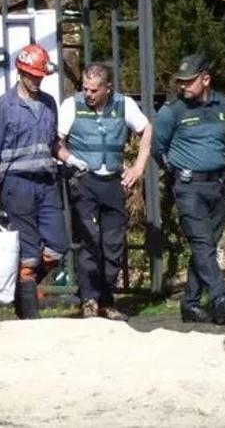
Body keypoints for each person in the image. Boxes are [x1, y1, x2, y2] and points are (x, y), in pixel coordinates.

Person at [151, 53, 225, 325]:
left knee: (206, 245)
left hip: (217, 184)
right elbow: (159, 148)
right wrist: (176, 173)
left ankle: (190, 304)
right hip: (188, 186)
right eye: (180, 82)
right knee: (202, 243)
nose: (183, 87)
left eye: (190, 81)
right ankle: (219, 298)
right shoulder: (172, 112)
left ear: (206, 79)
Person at [57, 63, 152, 320]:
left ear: (107, 88)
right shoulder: (71, 106)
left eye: (94, 90)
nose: (88, 94)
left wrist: (138, 167)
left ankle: (106, 299)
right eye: (85, 89)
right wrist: (69, 160)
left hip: (113, 181)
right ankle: (89, 300)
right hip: (84, 180)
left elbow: (146, 130)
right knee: (89, 241)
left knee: (112, 244)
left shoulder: (123, 104)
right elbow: (56, 141)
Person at [0, 43, 68, 319]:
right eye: (32, 75)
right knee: (29, 255)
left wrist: (71, 158)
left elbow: (53, 143)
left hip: (46, 183)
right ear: (20, 72)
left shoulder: (48, 104)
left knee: (56, 248)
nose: (36, 80)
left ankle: (23, 288)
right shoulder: (3, 108)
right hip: (16, 186)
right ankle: (28, 316)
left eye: (40, 76)